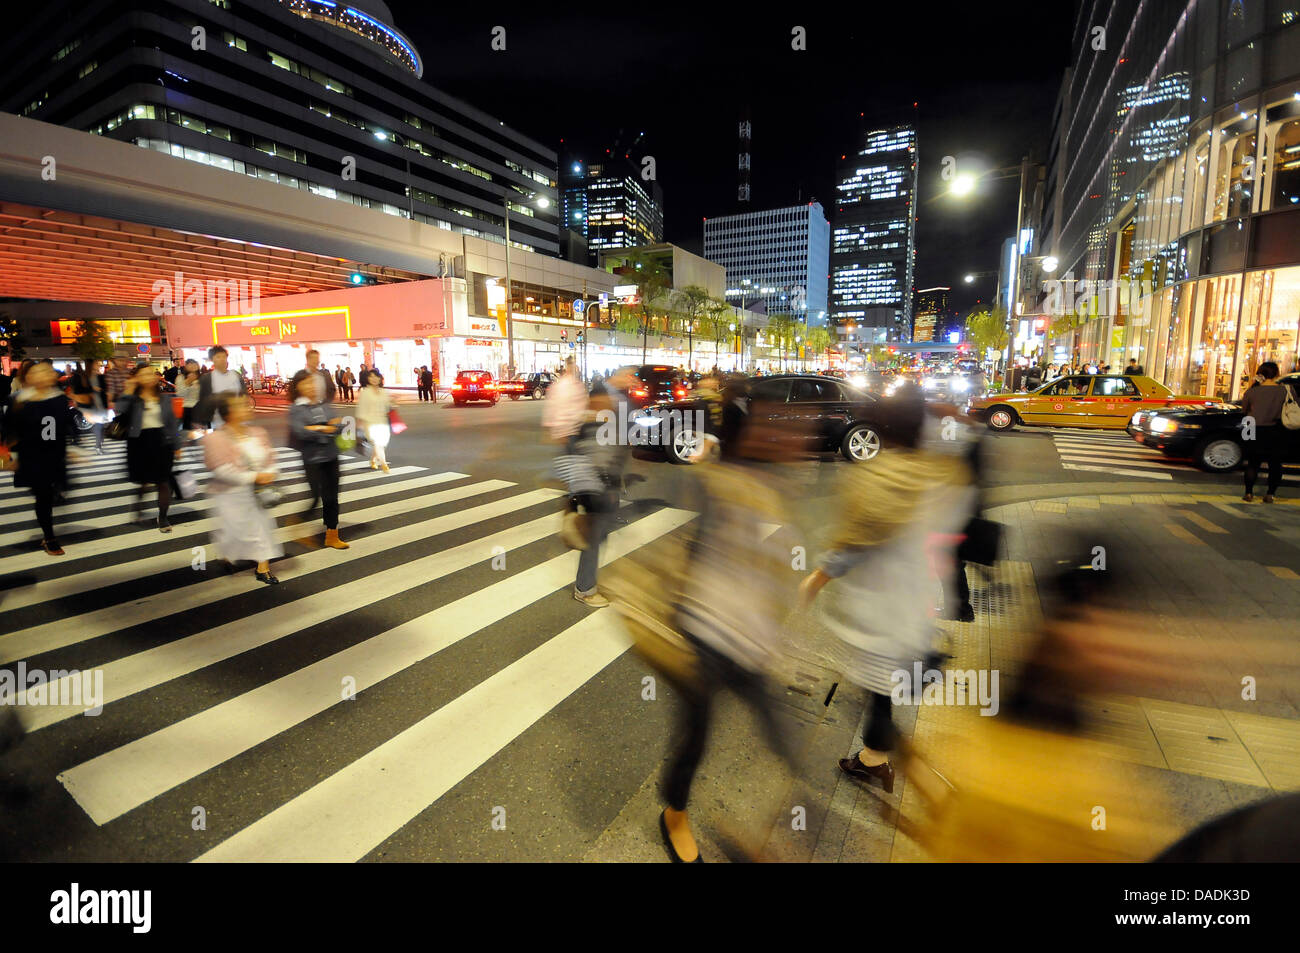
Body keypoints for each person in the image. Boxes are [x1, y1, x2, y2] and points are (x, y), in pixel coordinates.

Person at [800, 383, 977, 794]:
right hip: (914, 601)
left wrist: (816, 578)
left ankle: (910, 774)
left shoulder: (880, 478)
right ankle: (872, 758)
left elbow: (853, 546)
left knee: (877, 688)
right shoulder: (945, 475)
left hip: (876, 609)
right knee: (883, 689)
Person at [203, 393, 282, 584]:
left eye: (246, 405)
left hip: (256, 494)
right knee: (233, 532)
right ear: (228, 412)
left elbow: (270, 458)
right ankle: (227, 555)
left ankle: (263, 567)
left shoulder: (258, 432)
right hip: (230, 495)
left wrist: (270, 472)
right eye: (240, 406)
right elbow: (221, 469)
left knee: (260, 529)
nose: (247, 408)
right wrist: (255, 476)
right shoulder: (215, 439)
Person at [1, 361, 76, 555]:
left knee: (53, 493)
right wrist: (8, 458)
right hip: (32, 456)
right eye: (37, 372)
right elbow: (8, 431)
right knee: (43, 496)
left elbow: (67, 426)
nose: (43, 375)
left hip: (56, 455)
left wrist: (74, 448)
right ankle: (49, 537)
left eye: (47, 371)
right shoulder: (18, 400)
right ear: (29, 378)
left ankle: (50, 513)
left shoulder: (59, 399)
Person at [115, 363, 181, 533]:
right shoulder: (133, 399)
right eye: (142, 375)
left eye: (149, 374)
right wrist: (128, 390)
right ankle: (138, 507)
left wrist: (177, 445)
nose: (147, 377)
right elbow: (119, 410)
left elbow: (172, 423)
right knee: (144, 481)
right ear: (137, 378)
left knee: (163, 482)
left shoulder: (164, 398)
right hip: (140, 442)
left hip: (162, 441)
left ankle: (163, 517)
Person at [288, 374, 348, 549]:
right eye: (305, 384)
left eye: (312, 383)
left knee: (332, 498)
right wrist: (326, 427)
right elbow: (300, 432)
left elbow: (340, 426)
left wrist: (318, 428)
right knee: (315, 497)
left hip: (331, 455)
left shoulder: (325, 405)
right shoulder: (297, 409)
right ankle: (295, 523)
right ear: (298, 387)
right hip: (312, 458)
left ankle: (332, 535)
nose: (311, 387)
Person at [1241, 361, 1288, 503]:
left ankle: (1248, 493)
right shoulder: (1283, 391)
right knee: (1275, 463)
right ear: (1277, 374)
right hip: (1274, 429)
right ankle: (1270, 494)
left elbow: (1244, 410)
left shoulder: (1252, 391)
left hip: (1251, 427)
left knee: (1253, 463)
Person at [194, 345, 248, 428]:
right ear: (212, 359)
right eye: (218, 357)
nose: (222, 359)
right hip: (218, 423)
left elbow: (244, 395)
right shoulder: (207, 378)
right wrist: (200, 421)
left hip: (239, 420)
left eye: (224, 356)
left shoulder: (236, 375)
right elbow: (203, 400)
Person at [356, 369, 392, 472]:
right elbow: (361, 408)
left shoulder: (384, 392)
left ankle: (372, 460)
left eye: (376, 376)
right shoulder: (365, 392)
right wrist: (359, 423)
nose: (374, 379)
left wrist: (393, 402)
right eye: (371, 377)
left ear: (380, 378)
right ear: (367, 379)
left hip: (382, 421)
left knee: (382, 443)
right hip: (369, 422)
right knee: (377, 443)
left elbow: (388, 406)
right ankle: (384, 464)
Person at [175, 359, 201, 430]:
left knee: (203, 433)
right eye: (189, 364)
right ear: (185, 366)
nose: (192, 366)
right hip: (188, 408)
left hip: (201, 408)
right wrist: (188, 382)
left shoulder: (202, 377)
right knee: (189, 432)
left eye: (194, 363)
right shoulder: (181, 378)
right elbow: (180, 394)